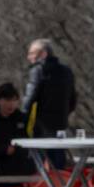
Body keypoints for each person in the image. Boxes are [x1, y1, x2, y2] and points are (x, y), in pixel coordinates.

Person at [20, 38, 77, 167]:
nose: (29, 57)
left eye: (32, 54)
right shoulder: (67, 72)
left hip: (41, 126)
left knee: (37, 165)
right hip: (61, 125)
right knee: (58, 164)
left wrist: (22, 119)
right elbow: (73, 99)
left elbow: (30, 97)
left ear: (44, 53)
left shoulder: (38, 71)